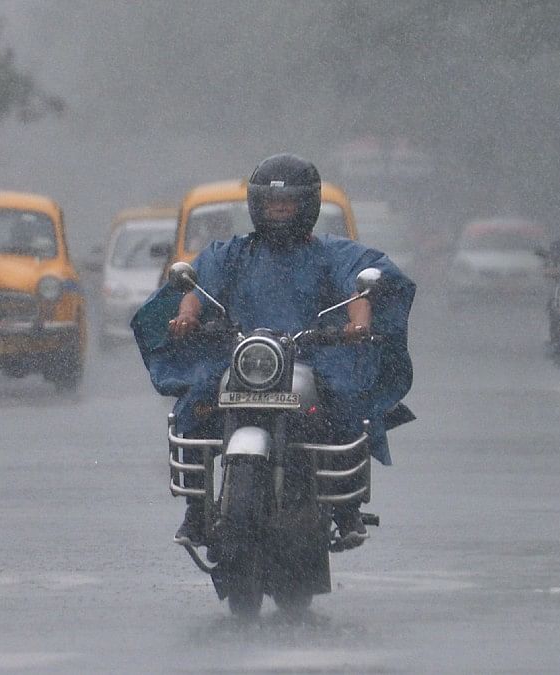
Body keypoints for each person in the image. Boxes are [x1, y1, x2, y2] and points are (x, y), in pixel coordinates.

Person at [132, 153, 416, 550]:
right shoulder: (231, 252)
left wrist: (359, 323)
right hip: (244, 357)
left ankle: (346, 507)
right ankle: (196, 510)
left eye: (287, 204)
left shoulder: (330, 253)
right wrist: (186, 317)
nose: (279, 212)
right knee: (193, 405)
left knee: (349, 401)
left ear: (307, 205)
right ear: (256, 205)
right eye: (271, 204)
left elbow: (359, 286)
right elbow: (197, 289)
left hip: (313, 358)